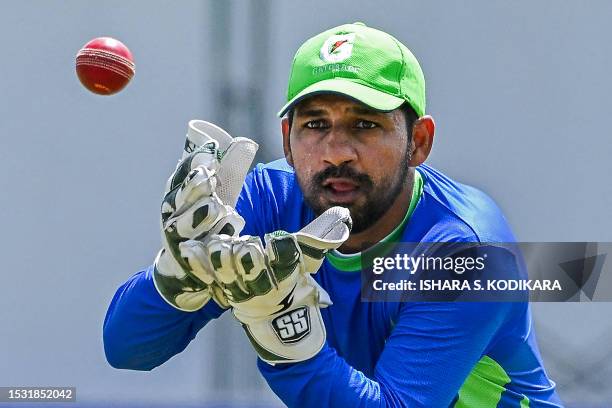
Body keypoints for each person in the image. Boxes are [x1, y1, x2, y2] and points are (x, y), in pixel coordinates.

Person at [103, 22, 563, 407]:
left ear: (418, 142)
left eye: (365, 125)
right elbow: (128, 349)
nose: (335, 153)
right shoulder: (266, 196)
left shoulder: (467, 251)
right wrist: (178, 271)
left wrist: (280, 330)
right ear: (287, 139)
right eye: (315, 124)